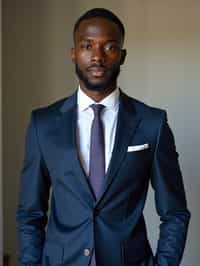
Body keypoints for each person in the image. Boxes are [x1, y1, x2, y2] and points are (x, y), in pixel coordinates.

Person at [16, 8, 190, 266]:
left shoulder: (152, 123)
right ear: (73, 53)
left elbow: (174, 212)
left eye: (109, 47)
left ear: (122, 56)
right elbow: (30, 212)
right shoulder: (43, 124)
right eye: (87, 46)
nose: (97, 56)